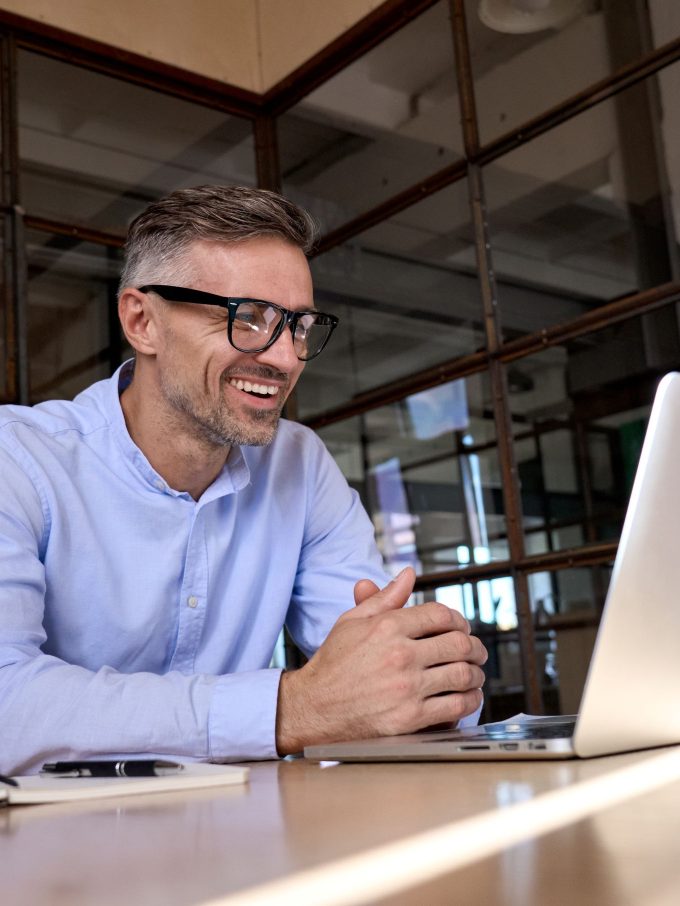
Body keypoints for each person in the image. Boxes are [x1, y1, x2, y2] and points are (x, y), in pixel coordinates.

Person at [0, 186, 487, 774]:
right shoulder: (18, 459)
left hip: (248, 835)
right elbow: (8, 703)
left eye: (298, 325)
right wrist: (289, 710)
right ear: (141, 320)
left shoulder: (299, 465)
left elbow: (384, 675)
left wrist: (432, 682)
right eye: (248, 318)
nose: (285, 360)